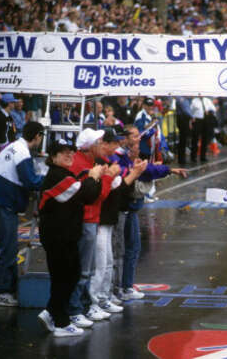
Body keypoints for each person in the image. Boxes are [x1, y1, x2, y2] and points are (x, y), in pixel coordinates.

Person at [110, 125, 188, 300]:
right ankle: (119, 289)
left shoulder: (128, 157)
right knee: (120, 251)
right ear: (124, 139)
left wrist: (169, 170)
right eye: (135, 136)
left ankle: (123, 287)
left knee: (129, 249)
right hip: (123, 210)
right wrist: (138, 170)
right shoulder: (119, 158)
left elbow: (148, 169)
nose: (139, 139)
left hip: (129, 210)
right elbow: (137, 174)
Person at [37, 139, 104, 337]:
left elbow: (87, 196)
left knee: (70, 275)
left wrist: (93, 177)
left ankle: (51, 313)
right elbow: (85, 193)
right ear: (52, 157)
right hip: (57, 237)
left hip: (66, 236)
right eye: (63, 152)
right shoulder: (57, 176)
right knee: (63, 278)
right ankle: (61, 322)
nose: (69, 155)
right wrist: (93, 177)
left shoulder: (65, 174)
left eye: (71, 152)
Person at [0, 121, 45, 306]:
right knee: (9, 249)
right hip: (4, 205)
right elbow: (30, 181)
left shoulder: (13, 147)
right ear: (37, 136)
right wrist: (49, 179)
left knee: (9, 247)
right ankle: (0, 292)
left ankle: (9, 288)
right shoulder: (21, 152)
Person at [90, 129, 147, 314]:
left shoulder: (108, 162)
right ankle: (91, 303)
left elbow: (118, 187)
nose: (116, 146)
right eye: (112, 143)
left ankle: (103, 298)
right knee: (96, 266)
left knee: (107, 261)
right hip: (97, 220)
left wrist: (133, 173)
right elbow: (99, 193)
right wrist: (128, 175)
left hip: (108, 219)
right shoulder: (97, 164)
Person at [68, 128, 119, 327]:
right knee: (83, 269)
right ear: (90, 146)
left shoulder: (91, 162)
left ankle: (84, 306)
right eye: (99, 142)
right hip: (86, 219)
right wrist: (106, 177)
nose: (103, 145)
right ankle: (76, 309)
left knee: (87, 268)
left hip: (92, 218)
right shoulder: (82, 164)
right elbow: (96, 195)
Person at [190, 96, 216, 163]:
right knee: (195, 139)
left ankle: (203, 156)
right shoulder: (194, 101)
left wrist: (210, 111)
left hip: (206, 120)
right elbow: (191, 110)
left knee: (205, 139)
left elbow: (213, 108)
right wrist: (192, 118)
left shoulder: (207, 100)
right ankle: (193, 156)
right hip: (198, 120)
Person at [175, 96, 193, 165]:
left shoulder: (186, 99)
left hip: (185, 119)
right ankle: (181, 159)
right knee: (182, 139)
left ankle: (182, 158)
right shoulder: (181, 99)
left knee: (184, 139)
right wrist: (192, 116)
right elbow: (186, 110)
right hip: (182, 119)